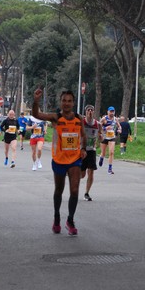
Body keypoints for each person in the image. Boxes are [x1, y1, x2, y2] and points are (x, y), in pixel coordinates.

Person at [32, 88, 87, 236]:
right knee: (59, 190)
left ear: (73, 103)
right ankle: (57, 217)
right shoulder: (55, 118)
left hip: (75, 159)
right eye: (64, 100)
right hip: (59, 160)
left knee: (74, 190)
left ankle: (70, 220)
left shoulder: (79, 118)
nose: (67, 103)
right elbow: (36, 114)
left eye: (69, 101)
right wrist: (36, 101)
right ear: (60, 102)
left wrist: (83, 148)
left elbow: (83, 136)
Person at [81, 105, 102, 201]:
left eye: (92, 110)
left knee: (91, 172)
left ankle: (86, 193)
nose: (90, 111)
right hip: (82, 149)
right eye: (88, 110)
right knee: (82, 175)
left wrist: (100, 139)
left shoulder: (98, 124)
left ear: (94, 112)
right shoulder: (81, 122)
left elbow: (100, 135)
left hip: (92, 151)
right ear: (85, 112)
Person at [99, 106, 120, 174]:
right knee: (103, 153)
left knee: (111, 152)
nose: (112, 113)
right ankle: (101, 158)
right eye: (110, 111)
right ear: (107, 112)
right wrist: (105, 129)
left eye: (113, 111)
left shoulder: (115, 119)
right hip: (104, 137)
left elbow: (119, 126)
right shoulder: (104, 119)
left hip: (112, 137)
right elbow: (98, 127)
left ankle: (110, 169)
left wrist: (120, 129)